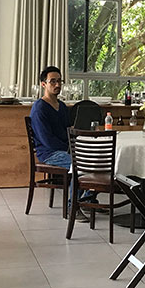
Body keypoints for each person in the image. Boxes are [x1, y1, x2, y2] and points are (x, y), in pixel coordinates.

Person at [30, 66, 94, 212]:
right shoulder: (40, 108)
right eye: (53, 81)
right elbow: (47, 141)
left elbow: (68, 131)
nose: (57, 84)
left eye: (59, 81)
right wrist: (71, 150)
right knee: (80, 164)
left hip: (65, 149)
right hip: (49, 153)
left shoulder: (62, 106)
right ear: (43, 84)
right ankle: (73, 206)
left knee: (96, 160)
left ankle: (87, 200)